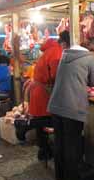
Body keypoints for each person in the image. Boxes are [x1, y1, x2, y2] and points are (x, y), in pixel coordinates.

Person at [47, 37, 94, 180]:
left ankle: (60, 177)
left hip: (56, 105)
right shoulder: (89, 58)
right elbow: (93, 82)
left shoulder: (66, 55)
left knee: (60, 142)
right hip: (72, 107)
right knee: (72, 145)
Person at [15, 31, 70, 161]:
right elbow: (56, 75)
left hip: (39, 89)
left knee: (42, 122)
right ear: (65, 43)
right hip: (44, 91)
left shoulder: (51, 49)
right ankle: (26, 125)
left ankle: (44, 152)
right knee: (50, 119)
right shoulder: (57, 52)